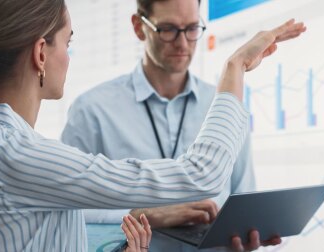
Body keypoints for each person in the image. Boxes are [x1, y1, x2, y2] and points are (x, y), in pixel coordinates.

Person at [0, 0, 306, 251]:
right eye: (68, 42)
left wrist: (138, 229)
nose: (69, 56)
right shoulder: (17, 156)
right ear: (41, 53)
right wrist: (235, 68)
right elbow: (202, 174)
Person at [60, 0, 258, 250]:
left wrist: (246, 235)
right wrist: (145, 213)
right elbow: (67, 207)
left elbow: (243, 195)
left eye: (192, 28)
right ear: (139, 27)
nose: (183, 43)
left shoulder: (224, 106)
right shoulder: (92, 110)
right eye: (168, 29)